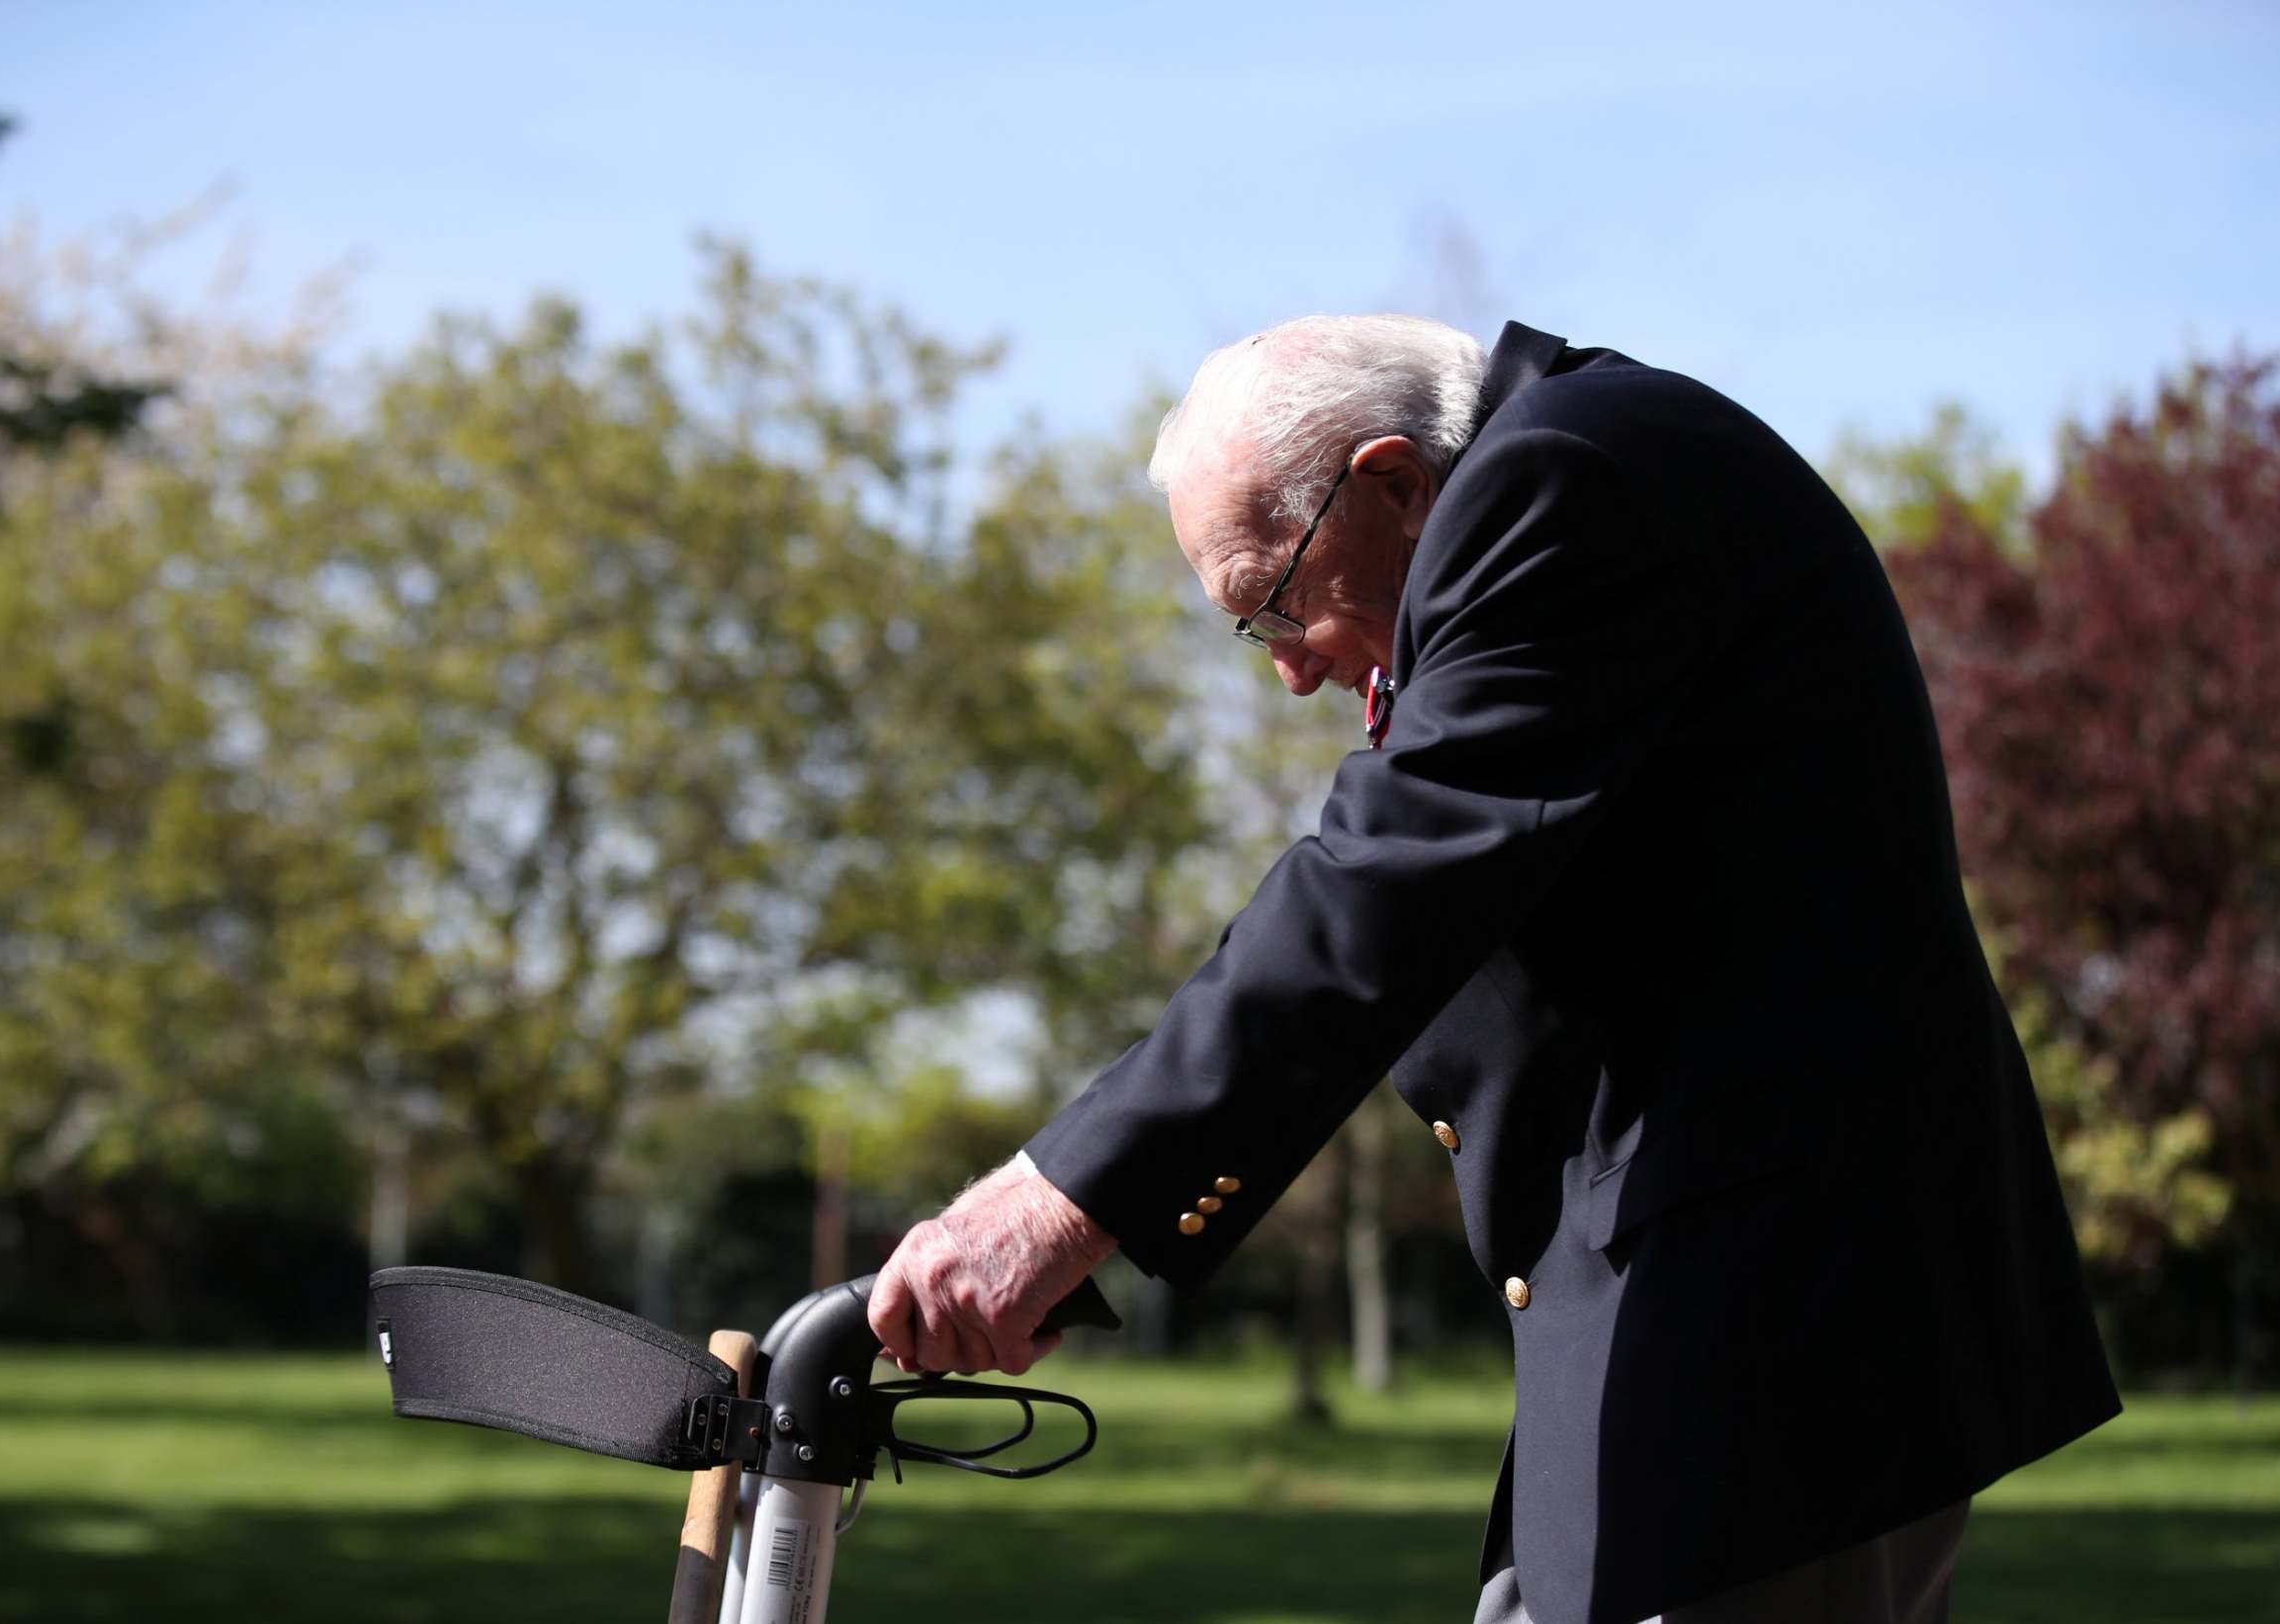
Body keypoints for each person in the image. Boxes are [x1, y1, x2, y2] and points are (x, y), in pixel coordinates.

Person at [866, 316, 2121, 1623]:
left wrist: (1050, 1205)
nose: (1290, 671)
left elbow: (1385, 883)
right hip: (1724, 1316)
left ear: (1394, 481)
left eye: (1273, 602)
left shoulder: (1559, 482)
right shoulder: (1589, 468)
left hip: (1775, 1337)